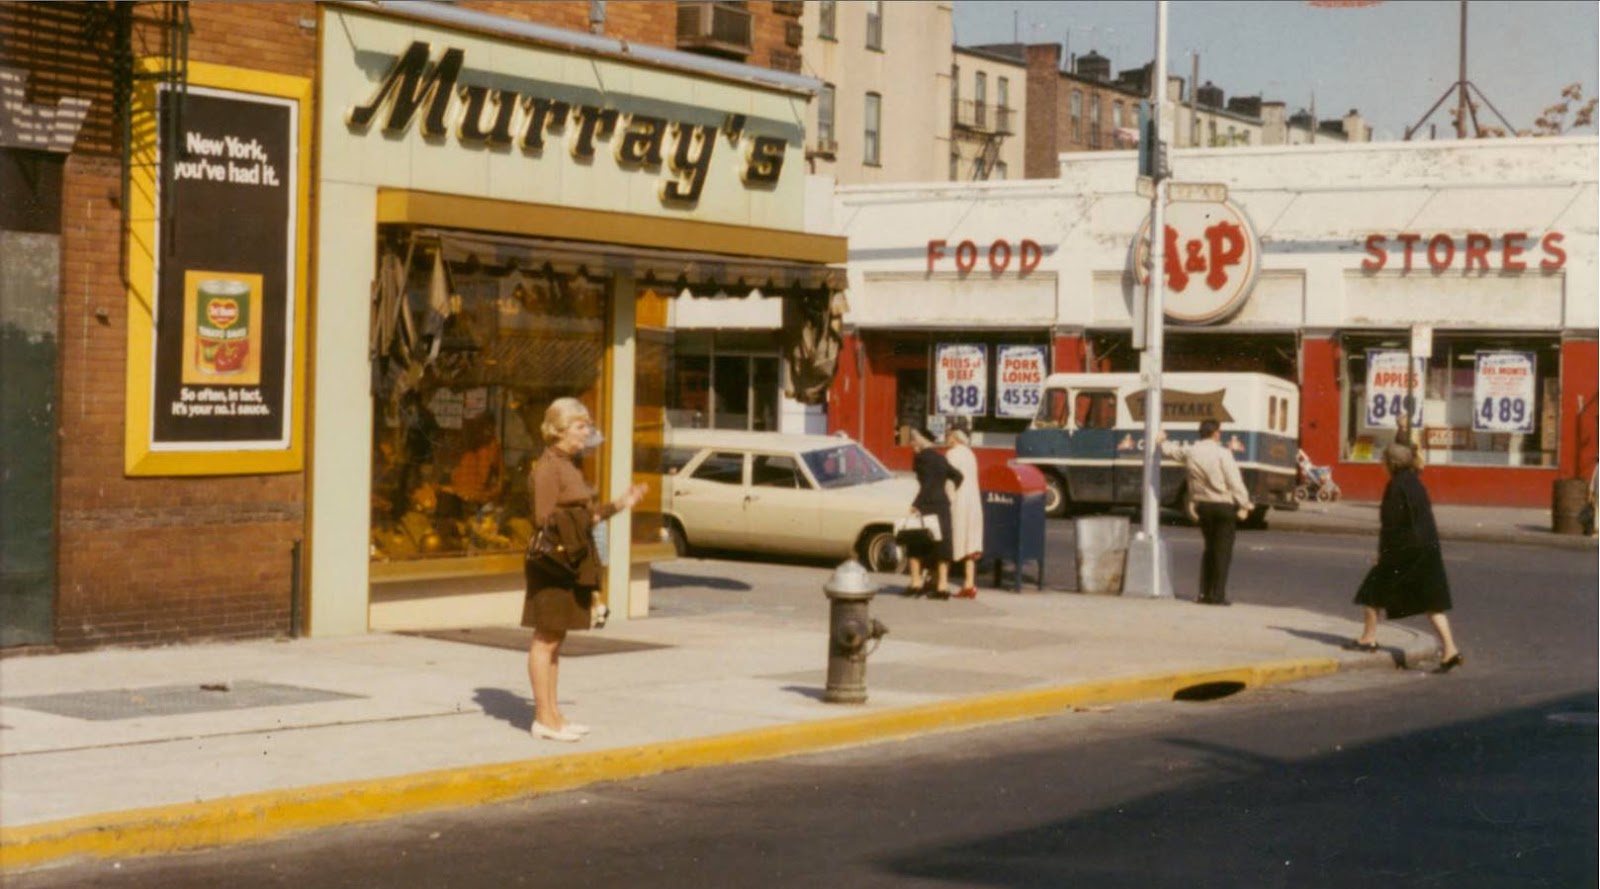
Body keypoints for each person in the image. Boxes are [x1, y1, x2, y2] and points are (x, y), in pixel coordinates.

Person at [525, 397, 647, 742]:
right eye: (581, 426)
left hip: (571, 560)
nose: (587, 432)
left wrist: (620, 504)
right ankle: (543, 718)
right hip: (553, 564)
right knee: (545, 639)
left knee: (556, 639)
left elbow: (587, 516)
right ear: (560, 429)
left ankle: (554, 715)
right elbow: (543, 519)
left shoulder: (568, 465)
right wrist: (579, 519)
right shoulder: (548, 467)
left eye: (587, 425)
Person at [1346, 443, 1463, 673]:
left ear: (1391, 463)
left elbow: (1391, 527)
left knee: (1371, 591)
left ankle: (1368, 639)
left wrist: (1382, 555)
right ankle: (1450, 650)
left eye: (1382, 460)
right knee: (1432, 602)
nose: (1380, 464)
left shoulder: (1395, 486)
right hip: (1427, 548)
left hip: (1406, 550)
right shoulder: (1416, 481)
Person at [1158, 420, 1253, 605]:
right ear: (1216, 433)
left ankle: (1204, 594)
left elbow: (1171, 451)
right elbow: (1234, 481)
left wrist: (1162, 441)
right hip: (1223, 505)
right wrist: (1245, 504)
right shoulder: (1223, 453)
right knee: (1222, 552)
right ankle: (1217, 595)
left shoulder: (1191, 451)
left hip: (1204, 506)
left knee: (1209, 549)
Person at [903, 426, 962, 599]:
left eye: (913, 440)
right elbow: (958, 476)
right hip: (942, 505)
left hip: (927, 505)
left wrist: (916, 504)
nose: (912, 443)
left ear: (919, 442)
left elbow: (927, 483)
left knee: (915, 542)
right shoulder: (940, 457)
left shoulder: (921, 458)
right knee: (941, 546)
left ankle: (916, 583)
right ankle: (942, 586)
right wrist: (949, 492)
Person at [944, 425, 984, 599]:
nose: (946, 438)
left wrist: (948, 499)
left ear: (955, 437)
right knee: (970, 544)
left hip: (959, 502)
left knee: (950, 541)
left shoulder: (951, 454)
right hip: (973, 502)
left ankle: (942, 582)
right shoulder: (970, 454)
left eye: (948, 435)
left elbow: (949, 482)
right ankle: (969, 583)